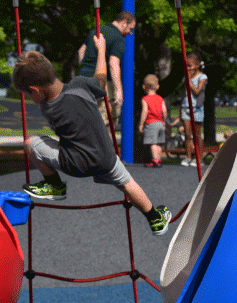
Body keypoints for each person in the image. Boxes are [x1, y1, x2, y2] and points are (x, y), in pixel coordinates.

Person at [14, 34, 172, 236]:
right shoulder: (81, 84)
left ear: (36, 91)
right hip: (105, 158)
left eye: (29, 94)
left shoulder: (48, 107)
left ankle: (55, 186)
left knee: (30, 142)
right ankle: (155, 218)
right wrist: (101, 50)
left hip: (75, 164)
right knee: (128, 184)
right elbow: (101, 78)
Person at [77, 11, 136, 126]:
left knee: (86, 121)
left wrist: (86, 70)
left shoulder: (95, 32)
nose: (130, 33)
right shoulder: (118, 38)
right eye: (131, 28)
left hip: (82, 82)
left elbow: (81, 52)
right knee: (105, 125)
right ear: (125, 22)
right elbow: (113, 64)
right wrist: (119, 91)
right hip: (102, 83)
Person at [179, 52, 207, 167]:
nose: (188, 68)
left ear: (197, 65)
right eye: (186, 66)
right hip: (186, 107)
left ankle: (199, 158)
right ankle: (188, 157)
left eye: (190, 66)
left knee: (197, 134)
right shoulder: (185, 77)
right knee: (187, 134)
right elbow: (183, 93)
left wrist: (189, 81)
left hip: (197, 108)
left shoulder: (202, 77)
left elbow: (197, 91)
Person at [139, 74, 167, 168]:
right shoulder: (160, 98)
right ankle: (159, 159)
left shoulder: (145, 99)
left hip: (151, 123)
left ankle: (155, 160)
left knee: (153, 143)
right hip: (160, 123)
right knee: (159, 142)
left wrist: (141, 124)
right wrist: (163, 121)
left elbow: (144, 112)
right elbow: (164, 110)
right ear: (158, 86)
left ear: (143, 87)